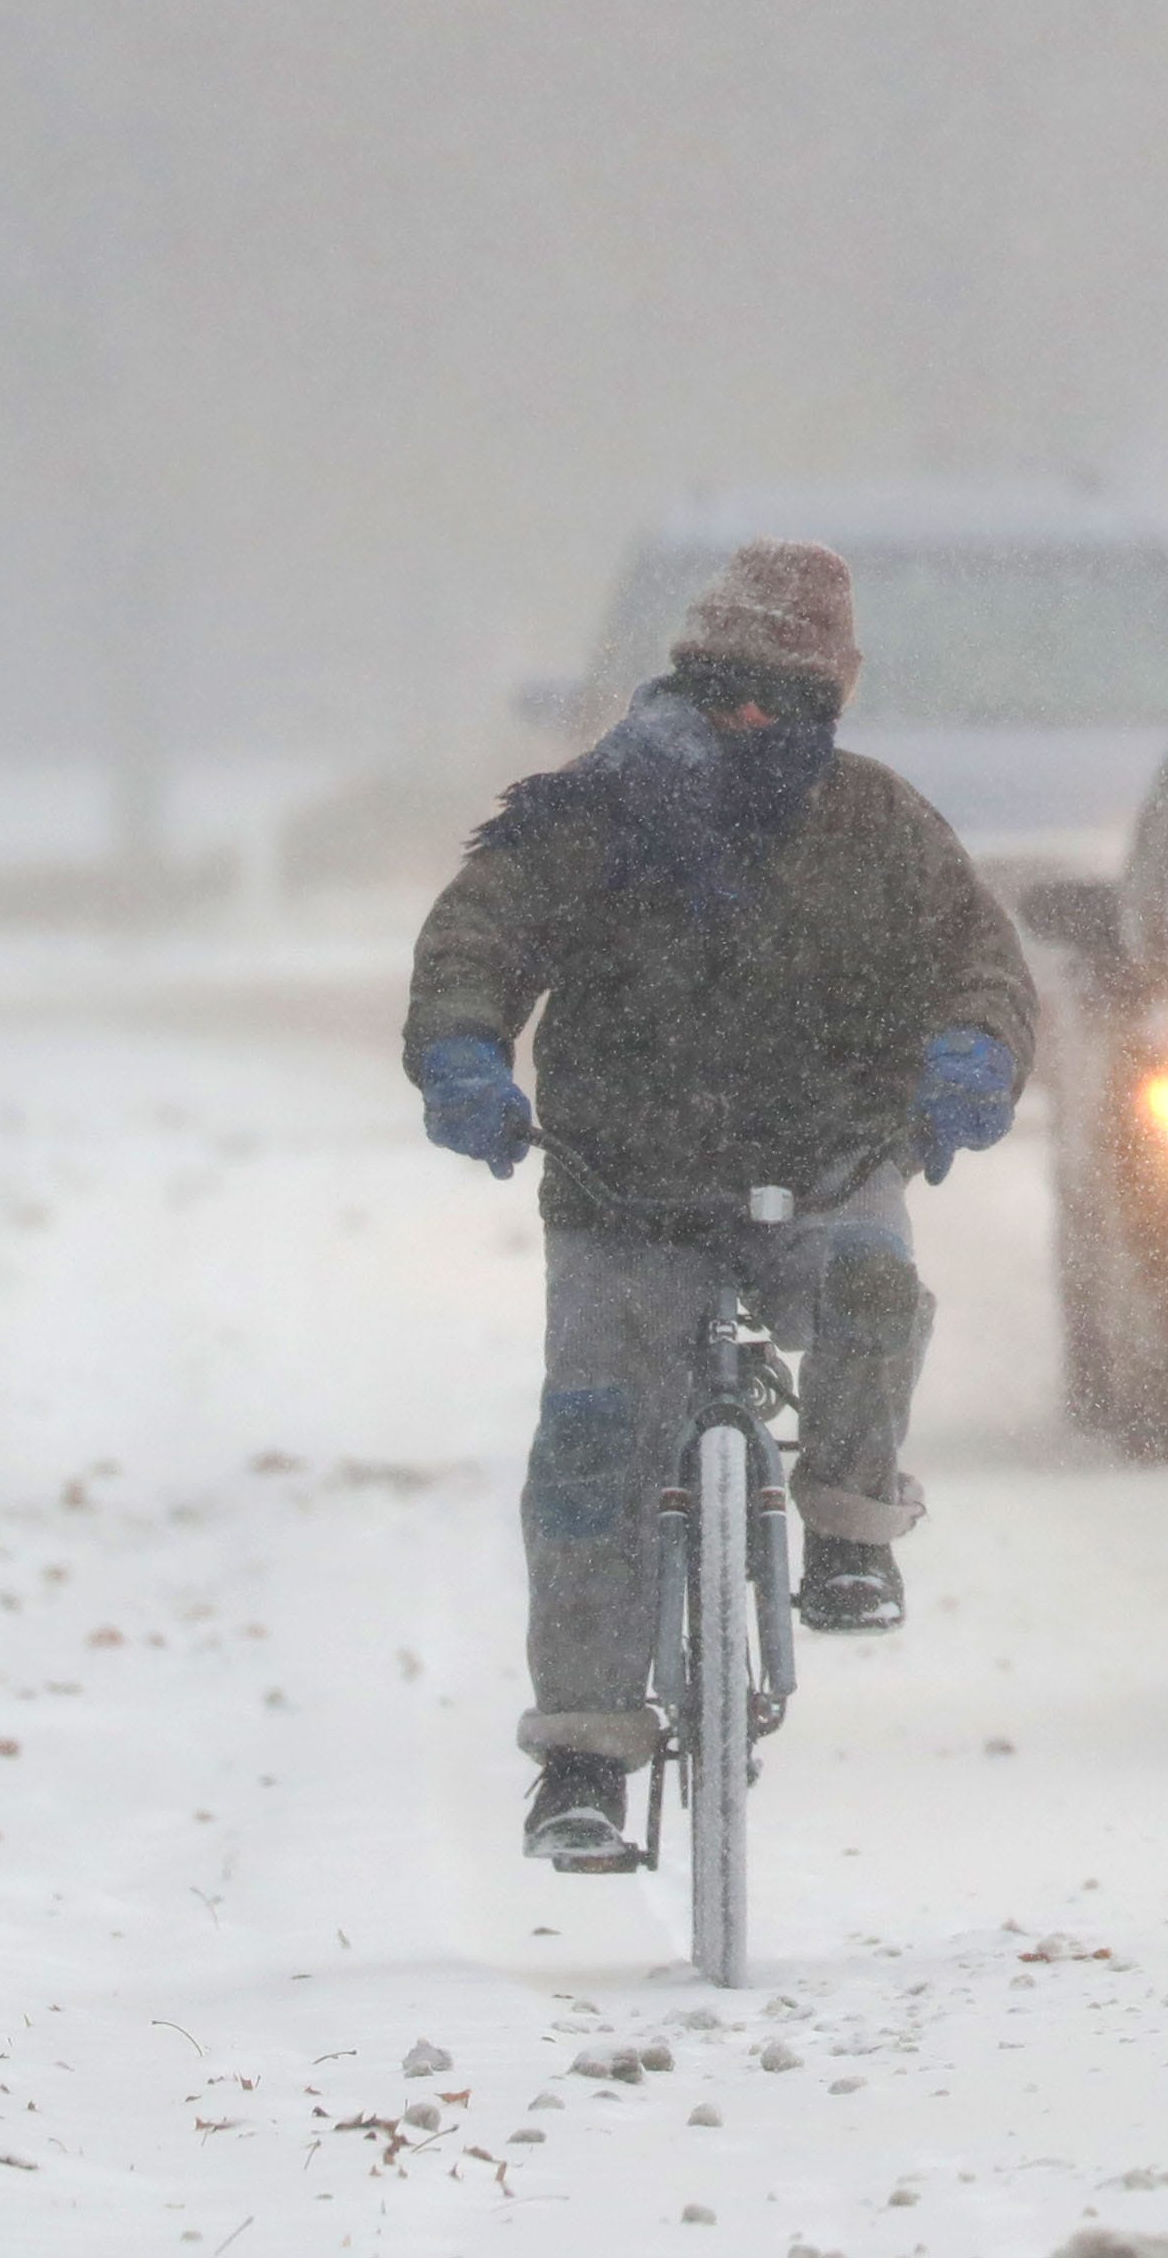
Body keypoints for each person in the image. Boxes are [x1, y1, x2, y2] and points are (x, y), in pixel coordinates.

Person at [402, 539, 1036, 1863]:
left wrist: (974, 1052)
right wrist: (465, 1051)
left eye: (791, 702)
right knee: (590, 1442)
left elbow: (980, 961)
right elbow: (481, 935)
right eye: (730, 691)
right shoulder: (586, 817)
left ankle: (851, 1530)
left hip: (827, 1156)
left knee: (872, 1288)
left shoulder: (883, 827)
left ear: (835, 706)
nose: (756, 722)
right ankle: (582, 1751)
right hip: (626, 1183)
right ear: (685, 681)